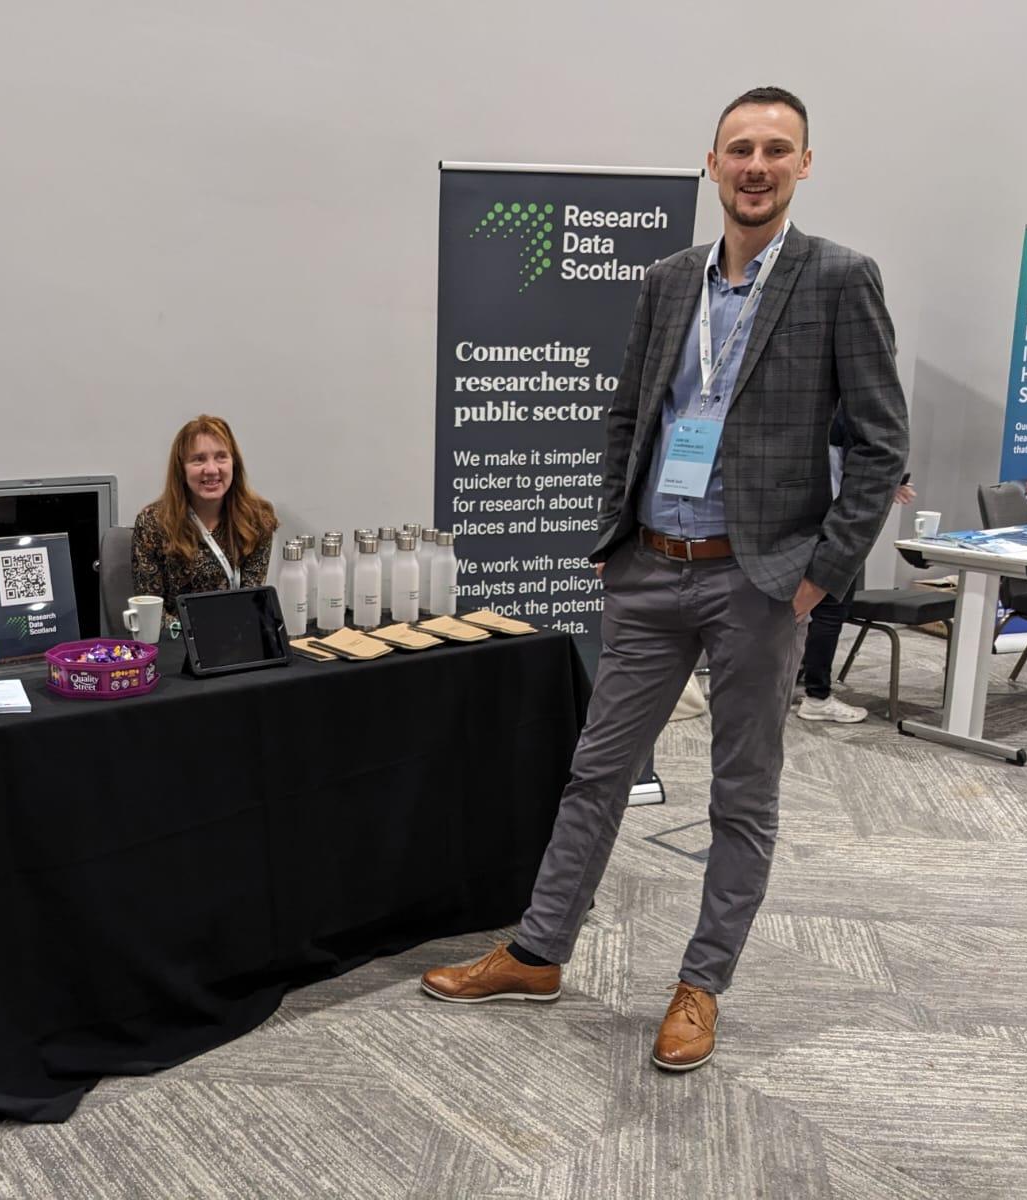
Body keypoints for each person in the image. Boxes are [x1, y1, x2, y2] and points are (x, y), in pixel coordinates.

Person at [421, 87, 908, 1073]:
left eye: (776, 149)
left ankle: (702, 983)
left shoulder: (840, 279)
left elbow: (880, 444)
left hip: (759, 584)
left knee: (741, 795)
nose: (756, 165)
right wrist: (614, 537)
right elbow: (623, 415)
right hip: (649, 567)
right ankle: (537, 950)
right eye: (740, 148)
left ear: (803, 165)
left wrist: (818, 579)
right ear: (711, 164)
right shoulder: (668, 279)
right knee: (596, 772)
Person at [796, 439, 917, 723]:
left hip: (810, 516)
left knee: (813, 610)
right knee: (830, 609)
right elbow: (867, 457)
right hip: (836, 521)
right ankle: (817, 697)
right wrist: (886, 484)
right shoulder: (847, 413)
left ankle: (802, 683)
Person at [131, 414, 278, 619]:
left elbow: (249, 603)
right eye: (198, 459)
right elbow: (151, 614)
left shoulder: (258, 520)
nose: (211, 469)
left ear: (234, 463)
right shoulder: (152, 523)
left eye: (221, 457)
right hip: (175, 642)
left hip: (235, 639)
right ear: (181, 469)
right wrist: (199, 635)